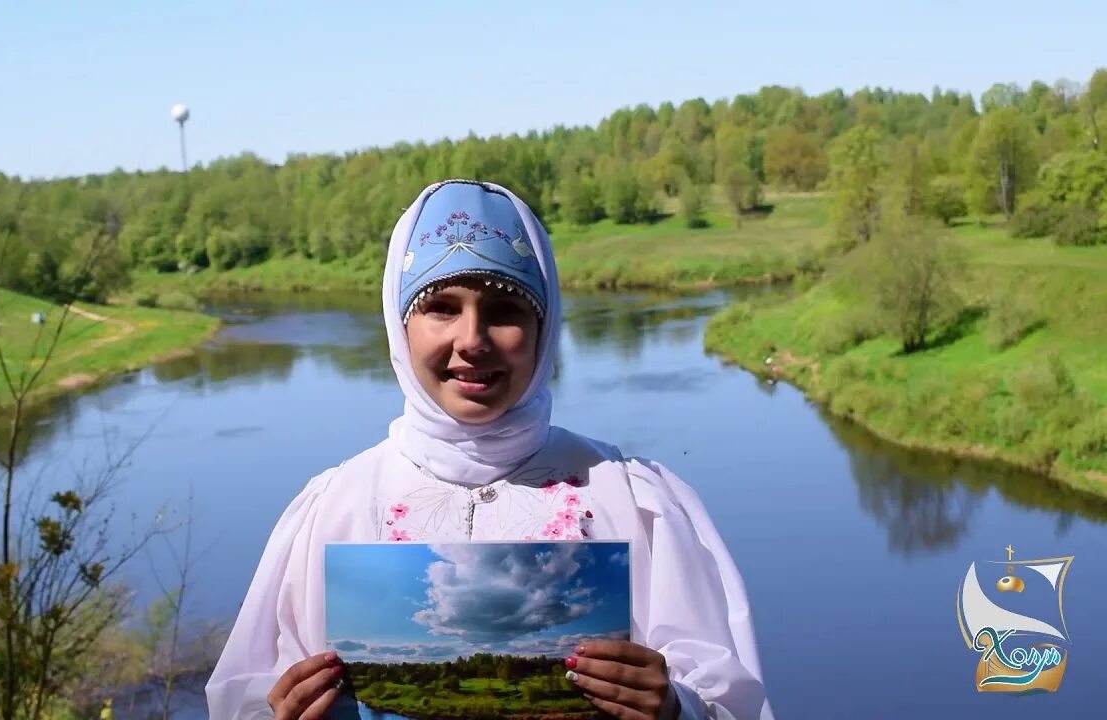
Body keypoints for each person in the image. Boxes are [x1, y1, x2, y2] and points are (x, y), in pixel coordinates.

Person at [206, 179, 771, 720]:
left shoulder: (632, 501)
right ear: (400, 328)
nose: (472, 341)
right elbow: (247, 697)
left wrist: (677, 709)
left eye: (505, 311)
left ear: (544, 328)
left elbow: (729, 696)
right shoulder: (335, 509)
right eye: (441, 307)